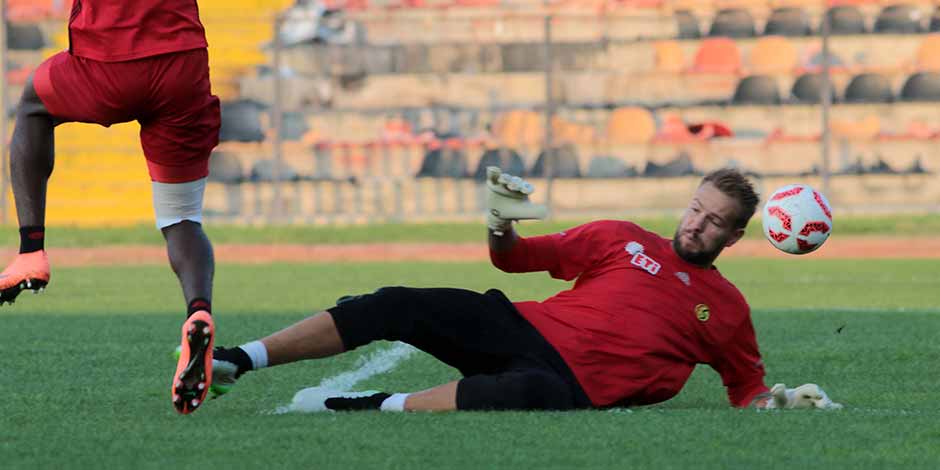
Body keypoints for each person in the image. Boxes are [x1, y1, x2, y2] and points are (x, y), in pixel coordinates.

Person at [208, 167, 841, 412]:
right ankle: (237, 360)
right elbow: (513, 261)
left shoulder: (726, 310)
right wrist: (500, 222)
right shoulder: (620, 237)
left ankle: (377, 405)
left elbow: (747, 390)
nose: (696, 224)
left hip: (570, 385)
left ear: (734, 238)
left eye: (713, 223)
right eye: (694, 209)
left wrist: (781, 404)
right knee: (395, 301)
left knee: (528, 395)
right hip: (521, 325)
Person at [0, 1, 220, 414]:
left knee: (33, 105)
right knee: (182, 218)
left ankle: (31, 251)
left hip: (107, 63)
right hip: (182, 68)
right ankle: (198, 311)